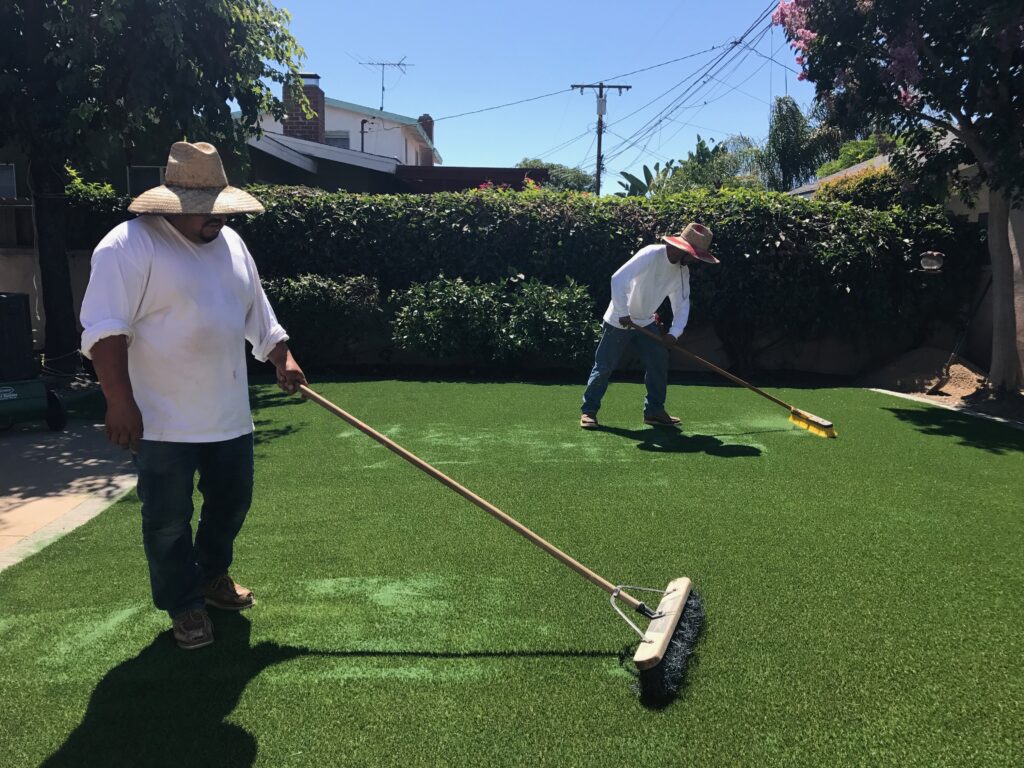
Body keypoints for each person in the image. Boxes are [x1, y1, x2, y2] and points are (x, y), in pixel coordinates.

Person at [80, 141, 306, 650]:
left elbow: (257, 312)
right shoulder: (127, 246)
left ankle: (211, 575)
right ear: (172, 203)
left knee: (231, 504)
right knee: (166, 520)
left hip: (228, 415)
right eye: (202, 210)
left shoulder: (230, 245)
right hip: (161, 421)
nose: (215, 219)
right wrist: (119, 401)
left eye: (219, 209)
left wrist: (280, 355)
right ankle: (184, 605)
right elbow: (105, 330)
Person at [580, 223, 718, 429]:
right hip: (619, 319)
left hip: (645, 321)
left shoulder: (682, 272)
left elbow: (682, 304)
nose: (694, 260)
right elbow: (618, 279)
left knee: (658, 361)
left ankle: (654, 411)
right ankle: (588, 411)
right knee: (604, 365)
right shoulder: (651, 254)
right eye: (693, 255)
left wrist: (674, 333)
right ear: (682, 249)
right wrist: (623, 313)